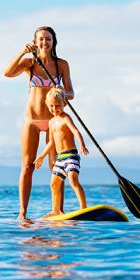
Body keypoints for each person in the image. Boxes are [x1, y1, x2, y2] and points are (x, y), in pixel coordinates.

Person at [3, 26, 74, 220]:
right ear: (35, 42)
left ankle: (58, 211)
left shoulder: (62, 65)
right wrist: (22, 52)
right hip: (32, 120)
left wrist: (62, 92)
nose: (45, 42)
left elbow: (71, 93)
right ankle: (23, 213)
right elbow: (7, 73)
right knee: (27, 166)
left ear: (54, 41)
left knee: (56, 166)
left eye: (48, 39)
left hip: (54, 122)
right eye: (41, 39)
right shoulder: (30, 63)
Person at [34, 87, 89, 215]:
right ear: (47, 105)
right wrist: (41, 156)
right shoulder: (51, 122)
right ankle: (56, 211)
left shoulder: (66, 118)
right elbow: (51, 143)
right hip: (59, 158)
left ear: (65, 103)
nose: (54, 108)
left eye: (58, 105)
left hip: (71, 156)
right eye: (51, 106)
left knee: (73, 179)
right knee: (54, 184)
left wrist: (82, 145)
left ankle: (83, 208)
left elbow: (76, 131)